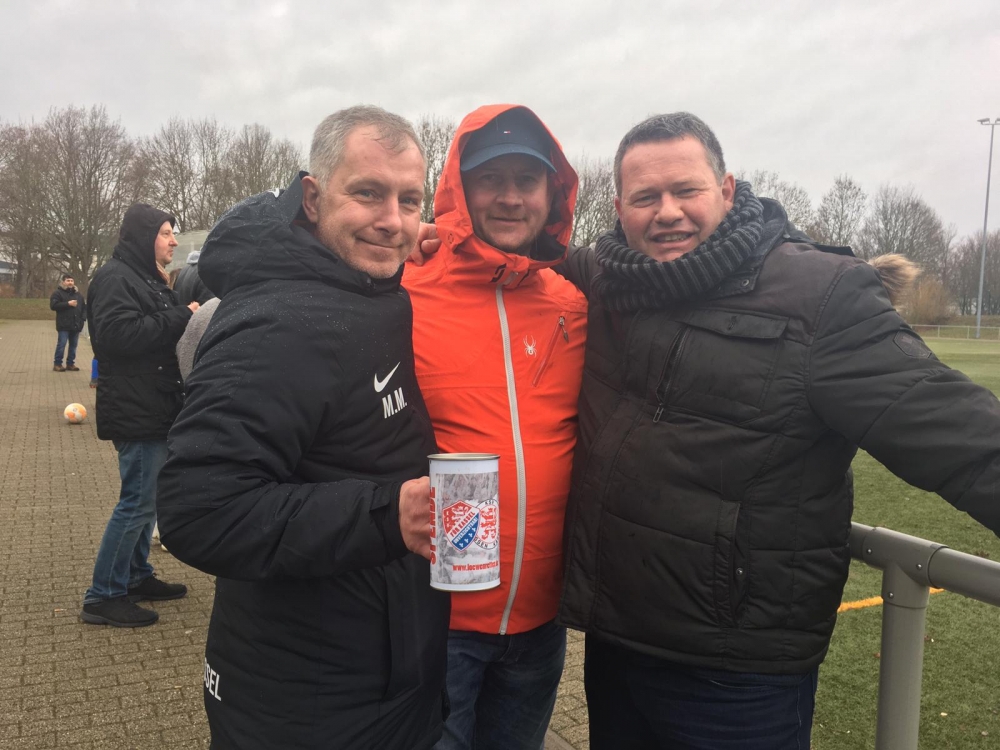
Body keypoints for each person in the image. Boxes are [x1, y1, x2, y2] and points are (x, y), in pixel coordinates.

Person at [556, 112, 1000, 750]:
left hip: (736, 675)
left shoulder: (820, 296)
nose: (668, 212)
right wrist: (429, 237)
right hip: (616, 646)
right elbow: (514, 249)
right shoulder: (610, 278)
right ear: (619, 209)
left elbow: (959, 435)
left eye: (686, 190)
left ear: (727, 190)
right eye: (646, 197)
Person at [155, 105, 449, 750]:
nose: (392, 219)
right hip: (306, 698)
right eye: (367, 193)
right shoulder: (281, 321)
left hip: (378, 669)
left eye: (409, 200)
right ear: (312, 199)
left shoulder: (362, 286)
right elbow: (198, 509)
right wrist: (386, 516)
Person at [403, 105, 586, 750]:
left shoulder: (572, 303)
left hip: (542, 623)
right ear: (459, 188)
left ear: (552, 194)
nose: (510, 197)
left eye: (527, 180)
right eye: (491, 179)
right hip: (439, 621)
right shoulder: (404, 290)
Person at [81, 204, 197, 628]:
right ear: (145, 237)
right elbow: (116, 337)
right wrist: (182, 316)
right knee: (136, 502)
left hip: (153, 403)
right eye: (165, 233)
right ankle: (103, 596)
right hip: (136, 406)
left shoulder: (143, 277)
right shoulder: (115, 278)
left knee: (148, 500)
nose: (173, 241)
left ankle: (135, 575)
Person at [49, 274, 85, 372]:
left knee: (73, 346)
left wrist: (82, 319)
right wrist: (68, 304)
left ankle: (70, 364)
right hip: (63, 324)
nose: (70, 283)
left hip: (76, 324)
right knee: (62, 344)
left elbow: (84, 308)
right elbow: (53, 306)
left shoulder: (78, 295)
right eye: (68, 280)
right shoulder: (57, 293)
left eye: (71, 281)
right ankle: (57, 364)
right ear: (63, 282)